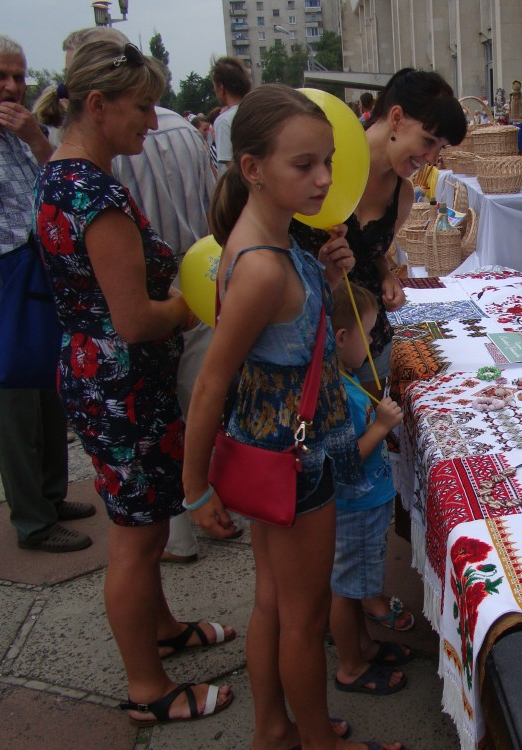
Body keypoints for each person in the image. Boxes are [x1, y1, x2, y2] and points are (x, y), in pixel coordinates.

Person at [182, 83, 405, 750]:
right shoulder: (262, 265)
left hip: (276, 451)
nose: (325, 179)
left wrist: (327, 281)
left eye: (328, 161)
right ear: (253, 168)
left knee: (275, 604)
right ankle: (316, 740)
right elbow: (211, 382)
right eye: (304, 164)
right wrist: (195, 488)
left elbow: (286, 337)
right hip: (296, 463)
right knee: (303, 620)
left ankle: (276, 727)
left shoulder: (269, 244)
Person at [33, 39, 235, 724]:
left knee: (142, 523)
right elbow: (136, 319)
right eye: (143, 108)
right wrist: (191, 303)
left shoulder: (60, 175)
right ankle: (147, 689)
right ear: (98, 105)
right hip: (123, 386)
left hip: (98, 375)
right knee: (137, 539)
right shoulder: (97, 194)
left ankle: (163, 628)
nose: (153, 122)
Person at [0, 35, 93, 553]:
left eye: (18, 75)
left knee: (48, 386)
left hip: (36, 269)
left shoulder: (20, 134)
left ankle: (51, 496)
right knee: (15, 400)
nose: (12, 87)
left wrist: (36, 139)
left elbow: (56, 182)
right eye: (1, 77)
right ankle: (32, 520)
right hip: (7, 275)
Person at [347, 67, 466, 396]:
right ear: (396, 118)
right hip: (314, 342)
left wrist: (385, 273)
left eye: (440, 148)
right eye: (428, 141)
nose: (431, 158)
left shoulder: (401, 193)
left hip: (370, 341)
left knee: (370, 423)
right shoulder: (329, 164)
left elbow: (368, 252)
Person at [328, 282, 411, 698]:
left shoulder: (343, 378)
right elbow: (343, 461)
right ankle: (351, 666)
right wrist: (380, 427)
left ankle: (361, 645)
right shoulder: (338, 394)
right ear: (342, 337)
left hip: (365, 505)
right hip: (355, 508)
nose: (373, 342)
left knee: (356, 586)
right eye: (369, 333)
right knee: (346, 592)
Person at [210, 56, 251, 174]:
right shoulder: (257, 110)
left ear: (221, 88)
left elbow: (231, 169)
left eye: (214, 87)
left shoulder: (224, 121)